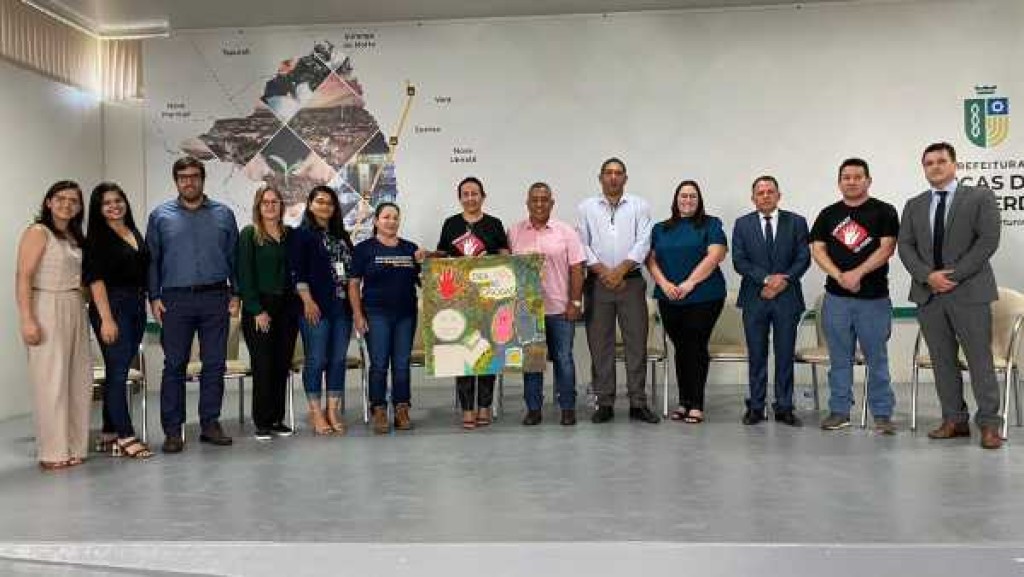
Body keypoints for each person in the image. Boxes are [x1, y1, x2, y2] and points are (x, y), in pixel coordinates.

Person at [897, 142, 1003, 449]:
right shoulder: (914, 205)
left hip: (969, 291)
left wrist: (952, 276)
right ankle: (954, 421)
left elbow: (988, 241)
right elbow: (905, 246)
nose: (935, 167)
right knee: (942, 361)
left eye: (941, 161)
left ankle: (989, 425)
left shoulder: (980, 197)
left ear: (955, 165)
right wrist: (928, 276)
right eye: (929, 163)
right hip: (929, 294)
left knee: (979, 360)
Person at [147, 156, 239, 453]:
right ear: (176, 181)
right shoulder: (160, 216)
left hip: (216, 297)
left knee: (215, 364)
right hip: (175, 300)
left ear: (203, 179)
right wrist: (154, 296)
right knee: (175, 365)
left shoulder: (224, 214)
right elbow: (152, 260)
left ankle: (210, 424)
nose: (189, 181)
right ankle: (173, 431)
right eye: (183, 177)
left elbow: (234, 257)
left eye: (194, 176)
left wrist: (236, 293)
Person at [809, 158, 899, 433]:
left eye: (858, 177)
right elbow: (817, 249)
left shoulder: (884, 211)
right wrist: (840, 277)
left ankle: (882, 414)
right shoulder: (828, 214)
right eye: (846, 177)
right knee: (839, 359)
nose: (851, 181)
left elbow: (887, 248)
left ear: (868, 180)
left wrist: (857, 274)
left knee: (877, 359)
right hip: (836, 299)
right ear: (839, 182)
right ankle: (839, 411)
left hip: (873, 299)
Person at [576, 158, 660, 424]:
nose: (613, 177)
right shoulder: (586, 207)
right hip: (597, 283)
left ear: (625, 178)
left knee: (636, 344)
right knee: (600, 346)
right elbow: (582, 244)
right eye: (608, 173)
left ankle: (638, 403)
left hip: (630, 282)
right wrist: (605, 273)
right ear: (600, 177)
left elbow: (644, 242)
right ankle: (604, 403)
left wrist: (620, 271)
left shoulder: (639, 206)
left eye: (618, 173)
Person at [16, 181, 91, 470]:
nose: (66, 204)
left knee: (78, 379)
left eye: (73, 200)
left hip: (75, 305)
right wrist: (27, 319)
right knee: (50, 381)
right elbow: (23, 276)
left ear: (79, 207)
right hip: (46, 304)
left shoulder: (74, 236)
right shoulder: (38, 232)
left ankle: (75, 445)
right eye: (60, 198)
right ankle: (52, 451)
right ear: (48, 202)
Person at [732, 176, 811, 427]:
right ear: (753, 198)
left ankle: (784, 407)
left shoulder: (796, 222)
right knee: (757, 354)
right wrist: (767, 280)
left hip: (787, 297)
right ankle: (756, 407)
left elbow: (803, 258)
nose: (765, 196)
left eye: (770, 191)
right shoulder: (742, 224)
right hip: (755, 298)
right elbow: (739, 261)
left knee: (785, 354)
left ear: (779, 195)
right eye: (760, 192)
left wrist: (783, 280)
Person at [648, 180, 727, 424]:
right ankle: (683, 402)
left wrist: (690, 283)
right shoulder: (660, 228)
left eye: (693, 196)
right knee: (681, 348)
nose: (688, 200)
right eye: (683, 196)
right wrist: (664, 284)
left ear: (699, 200)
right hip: (669, 296)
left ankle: (696, 404)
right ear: (676, 199)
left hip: (705, 296)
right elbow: (650, 260)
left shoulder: (711, 224)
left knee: (696, 345)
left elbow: (715, 255)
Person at [508, 182, 586, 426]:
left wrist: (575, 302)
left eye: (544, 200)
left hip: (560, 309)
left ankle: (567, 408)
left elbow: (577, 269)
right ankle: (533, 409)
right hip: (527, 311)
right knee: (532, 362)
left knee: (564, 359)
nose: (539, 204)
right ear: (527, 203)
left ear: (552, 203)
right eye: (535, 200)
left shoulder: (566, 232)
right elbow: (506, 269)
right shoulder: (514, 232)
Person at [84, 182, 152, 458]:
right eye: (107, 203)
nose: (114, 206)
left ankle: (109, 432)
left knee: (119, 368)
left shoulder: (132, 231)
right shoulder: (97, 239)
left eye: (118, 200)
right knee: (118, 372)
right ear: (98, 209)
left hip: (135, 305)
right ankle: (125, 435)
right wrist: (106, 319)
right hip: (112, 307)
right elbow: (95, 280)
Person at [436, 176, 510, 430]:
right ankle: (467, 408)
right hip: (459, 301)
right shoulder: (451, 224)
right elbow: (442, 257)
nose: (470, 198)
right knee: (463, 354)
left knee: (487, 353)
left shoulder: (494, 224)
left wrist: (492, 259)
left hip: (490, 299)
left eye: (474, 193)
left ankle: (484, 406)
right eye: (465, 194)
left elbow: (505, 256)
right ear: (460, 198)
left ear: (483, 196)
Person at [349, 202, 425, 434]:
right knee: (379, 364)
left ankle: (402, 408)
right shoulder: (363, 249)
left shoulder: (410, 248)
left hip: (406, 315)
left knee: (401, 364)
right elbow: (353, 285)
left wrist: (423, 263)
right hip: (376, 314)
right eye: (386, 217)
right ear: (376, 221)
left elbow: (424, 281)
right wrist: (358, 315)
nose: (391, 221)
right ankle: (379, 409)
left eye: (395, 217)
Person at [289, 185, 355, 436]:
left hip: (342, 308)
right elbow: (297, 272)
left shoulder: (342, 235)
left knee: (337, 360)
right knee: (316, 360)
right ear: (310, 204)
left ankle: (333, 410)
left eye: (329, 202)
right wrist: (307, 301)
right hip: (315, 307)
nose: (325, 206)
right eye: (320, 201)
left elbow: (351, 271)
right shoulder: (301, 235)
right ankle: (316, 412)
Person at [237, 184, 300, 441]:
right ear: (258, 206)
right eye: (265, 202)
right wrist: (256, 309)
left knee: (281, 364)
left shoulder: (290, 235)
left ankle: (276, 419)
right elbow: (244, 274)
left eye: (275, 202)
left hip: (287, 307)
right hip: (260, 307)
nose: (270, 206)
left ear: (281, 206)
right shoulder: (250, 234)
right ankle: (262, 421)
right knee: (263, 365)